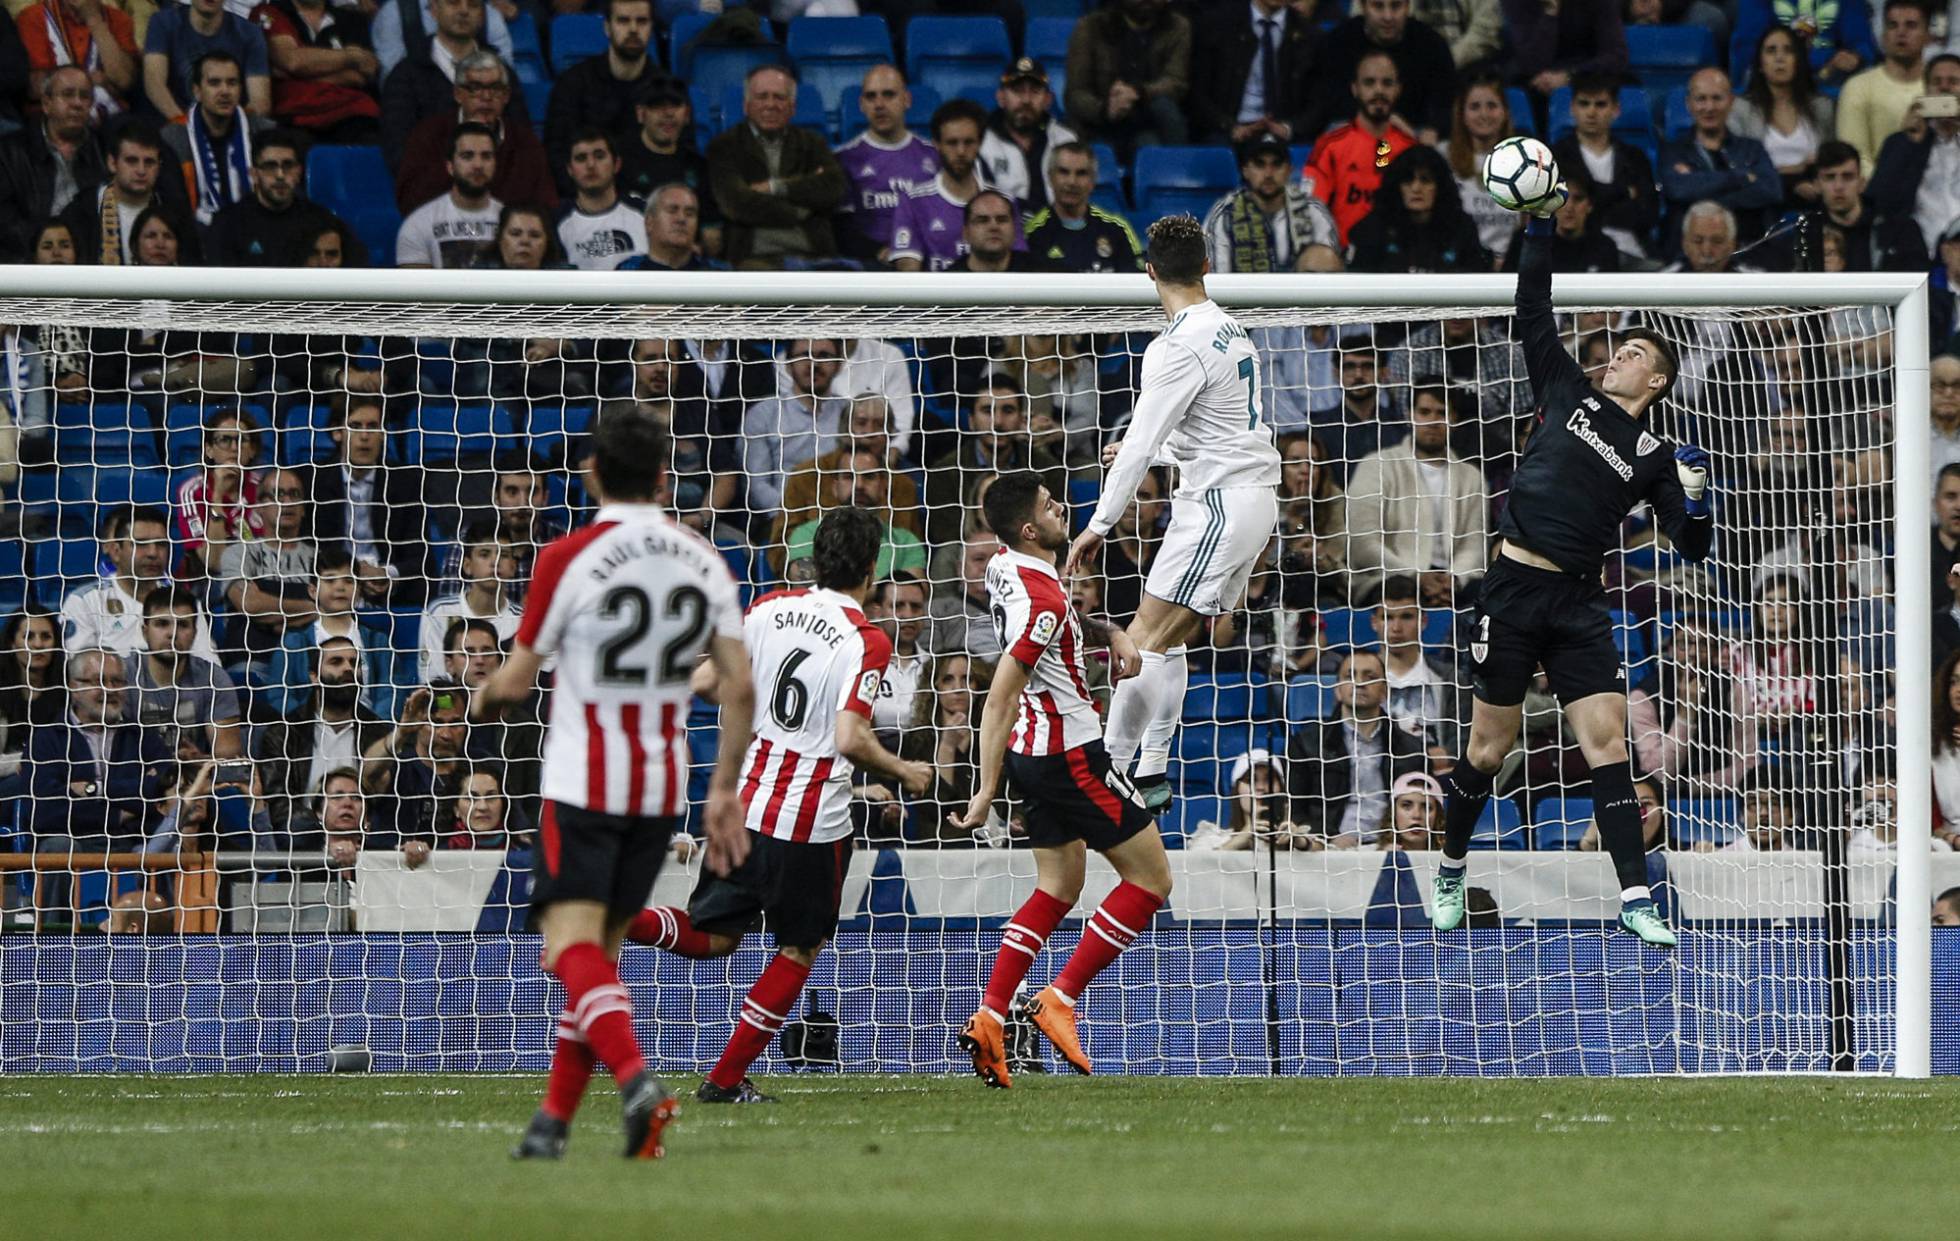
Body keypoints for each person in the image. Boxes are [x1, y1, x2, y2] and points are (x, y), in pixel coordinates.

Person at [1428, 171, 1714, 948]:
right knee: (1488, 750)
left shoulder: (1655, 453)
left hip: (1581, 606)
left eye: (1629, 355)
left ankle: (1634, 893)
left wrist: (1695, 498)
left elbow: (1691, 549)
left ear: (1655, 381)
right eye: (1615, 350)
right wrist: (1540, 226)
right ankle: (1451, 865)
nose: (1613, 358)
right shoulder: (1567, 390)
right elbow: (1531, 310)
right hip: (1513, 588)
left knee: (1608, 746)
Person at [473, 407, 754, 1161]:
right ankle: (552, 1126)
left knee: (564, 947)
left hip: (583, 781)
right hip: (663, 787)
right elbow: (738, 684)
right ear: (666, 476)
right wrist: (723, 790)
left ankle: (638, 1081)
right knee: (597, 952)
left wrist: (479, 695)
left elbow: (517, 681)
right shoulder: (704, 561)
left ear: (591, 470)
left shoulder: (569, 555)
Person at [619, 507, 929, 1102]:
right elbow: (849, 738)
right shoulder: (867, 638)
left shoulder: (767, 608)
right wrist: (901, 769)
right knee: (798, 947)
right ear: (872, 568)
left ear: (816, 559)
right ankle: (725, 1080)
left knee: (713, 936)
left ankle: (611, 917)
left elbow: (708, 684)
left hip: (747, 805)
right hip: (812, 823)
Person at [948, 472, 1162, 1086]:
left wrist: (1111, 630)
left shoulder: (1005, 567)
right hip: (1070, 755)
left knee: (1058, 887)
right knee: (1150, 880)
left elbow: (1059, 621)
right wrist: (985, 788)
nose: (1061, 506)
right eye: (1049, 505)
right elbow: (997, 698)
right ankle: (1060, 998)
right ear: (1029, 529)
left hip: (1034, 755)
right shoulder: (1040, 601)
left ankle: (990, 1017)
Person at [1062, 215, 1281, 816]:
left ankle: (1106, 771)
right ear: (1207, 267)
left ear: (1150, 271)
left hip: (1217, 503)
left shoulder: (1174, 344)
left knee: (1141, 641)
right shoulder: (1233, 330)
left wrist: (1098, 525)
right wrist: (1159, 449)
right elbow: (1219, 425)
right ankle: (1153, 767)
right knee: (1171, 638)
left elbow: (1136, 446)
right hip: (1247, 498)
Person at [1343, 386, 1488, 601]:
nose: (1433, 421)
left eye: (1442, 413)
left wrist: (1453, 580)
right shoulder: (1376, 465)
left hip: (1453, 582)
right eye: (1424, 412)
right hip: (1391, 578)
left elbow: (1474, 545)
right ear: (1410, 414)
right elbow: (1363, 544)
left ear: (1454, 419)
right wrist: (1415, 575)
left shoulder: (1471, 476)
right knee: (1400, 591)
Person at [26, 647, 171, 862]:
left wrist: (94, 789)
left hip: (133, 840)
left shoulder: (142, 735)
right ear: (74, 687)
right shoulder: (47, 738)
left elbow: (166, 791)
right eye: (98, 681)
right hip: (75, 841)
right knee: (58, 846)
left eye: (117, 681)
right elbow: (44, 811)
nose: (109, 689)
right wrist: (118, 814)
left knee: (173, 840)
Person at [705, 64, 847, 267]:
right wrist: (801, 210)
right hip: (753, 258)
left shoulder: (813, 143)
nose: (770, 104)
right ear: (746, 105)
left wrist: (776, 188)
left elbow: (833, 188)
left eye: (779, 97)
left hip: (814, 256)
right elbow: (736, 203)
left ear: (792, 107)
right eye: (762, 97)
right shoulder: (725, 146)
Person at [1283, 645, 1428, 845]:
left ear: (1384, 691)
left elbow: (1426, 811)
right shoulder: (1306, 745)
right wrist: (1328, 839)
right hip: (1329, 850)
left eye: (1369, 677)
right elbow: (1295, 811)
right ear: (1338, 690)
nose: (1359, 683)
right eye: (1350, 676)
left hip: (1391, 849)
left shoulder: (1411, 749)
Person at [303, 396, 438, 604]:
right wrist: (349, 574)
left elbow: (421, 556)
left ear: (383, 434)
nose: (365, 436)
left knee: (422, 586)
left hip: (385, 583)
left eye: (373, 426)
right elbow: (307, 549)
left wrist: (386, 573)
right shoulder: (312, 480)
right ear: (337, 432)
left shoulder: (406, 482)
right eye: (355, 426)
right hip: (332, 581)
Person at [254, 635, 389, 842]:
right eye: (336, 662)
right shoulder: (284, 734)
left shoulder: (378, 733)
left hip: (364, 844)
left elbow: (387, 803)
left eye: (354, 663)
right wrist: (327, 834)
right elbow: (278, 806)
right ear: (314, 676)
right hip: (304, 848)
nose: (348, 669)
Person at [392, 51, 554, 212]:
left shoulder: (525, 141)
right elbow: (409, 199)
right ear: (458, 94)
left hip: (509, 233)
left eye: (495, 88)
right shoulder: (429, 133)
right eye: (475, 88)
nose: (486, 96)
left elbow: (545, 205)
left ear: (506, 96)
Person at [377, 0, 520, 175]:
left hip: (499, 188)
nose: (464, 11)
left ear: (482, 16)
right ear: (434, 10)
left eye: (473, 5)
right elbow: (399, 148)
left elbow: (521, 141)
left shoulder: (502, 72)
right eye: (453, 3)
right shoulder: (405, 75)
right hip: (430, 190)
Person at [62, 505, 220, 663]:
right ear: (116, 552)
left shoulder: (185, 603)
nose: (153, 553)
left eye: (161, 544)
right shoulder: (85, 602)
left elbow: (209, 667)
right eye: (141, 544)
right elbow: (80, 671)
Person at [1302, 50, 1418, 247]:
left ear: (1398, 89)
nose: (1379, 90)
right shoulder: (1330, 147)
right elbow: (1311, 211)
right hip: (1342, 265)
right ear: (1355, 88)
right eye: (1369, 83)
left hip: (1397, 265)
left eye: (1387, 83)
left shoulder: (1411, 149)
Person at [1659, 66, 1782, 251]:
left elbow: (1771, 191)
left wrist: (1701, 189)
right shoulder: (1673, 151)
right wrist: (1740, 178)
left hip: (1750, 249)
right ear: (1688, 104)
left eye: (1717, 98)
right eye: (1701, 99)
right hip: (1690, 257)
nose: (1709, 107)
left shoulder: (1752, 149)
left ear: (1731, 101)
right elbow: (1677, 190)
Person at [541, 0, 659, 188]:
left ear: (651, 29)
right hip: (584, 199)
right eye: (623, 21)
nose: (633, 29)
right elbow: (557, 153)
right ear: (607, 28)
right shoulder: (573, 83)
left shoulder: (666, 89)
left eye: (642, 21)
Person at [206, 128, 363, 265]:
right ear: (254, 174)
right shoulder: (227, 224)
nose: (280, 175)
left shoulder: (322, 221)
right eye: (270, 166)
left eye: (288, 166)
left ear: (299, 172)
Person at [1550, 69, 1659, 265]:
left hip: (1631, 252)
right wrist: (1623, 193)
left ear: (1616, 109)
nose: (1591, 112)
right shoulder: (1556, 156)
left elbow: (1648, 214)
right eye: (1584, 104)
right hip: (1575, 253)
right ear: (1572, 108)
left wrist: (1596, 201)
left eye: (1600, 104)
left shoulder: (1635, 157)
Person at [126, 584, 244, 760]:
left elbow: (228, 758)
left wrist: (195, 759)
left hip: (195, 777)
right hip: (138, 778)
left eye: (182, 625)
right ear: (145, 631)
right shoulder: (123, 676)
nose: (172, 634)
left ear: (195, 633)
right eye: (162, 624)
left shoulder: (214, 679)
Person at [832, 63, 935, 262]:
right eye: (871, 97)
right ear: (862, 104)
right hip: (871, 268)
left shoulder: (935, 156)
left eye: (888, 95)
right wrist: (881, 253)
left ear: (907, 99)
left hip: (929, 263)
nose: (879, 104)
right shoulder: (844, 159)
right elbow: (841, 230)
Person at [1062, 0, 1191, 160]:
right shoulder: (1090, 28)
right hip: (1100, 125)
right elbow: (1075, 94)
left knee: (1163, 114)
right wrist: (1106, 109)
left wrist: (1138, 92)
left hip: (1149, 121)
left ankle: (1175, 174)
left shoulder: (1177, 27)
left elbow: (1176, 82)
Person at [0, 68, 105, 261]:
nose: (77, 103)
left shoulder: (104, 151)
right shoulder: (9, 152)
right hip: (24, 262)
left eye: (84, 96)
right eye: (67, 95)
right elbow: (5, 220)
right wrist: (41, 247)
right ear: (46, 103)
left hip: (87, 263)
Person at [1730, 24, 1837, 209]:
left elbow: (1834, 161)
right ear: (1760, 64)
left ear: (1798, 61)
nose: (1780, 58)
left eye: (1788, 51)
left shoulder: (1822, 108)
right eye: (1771, 51)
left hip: (1814, 199)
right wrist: (1795, 174)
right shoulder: (1741, 109)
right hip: (1760, 203)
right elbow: (1740, 171)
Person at [160, 51, 272, 226]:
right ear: (197, 91)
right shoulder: (173, 138)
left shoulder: (264, 132)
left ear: (241, 90)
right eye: (214, 83)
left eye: (232, 83)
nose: (225, 91)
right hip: (194, 233)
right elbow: (173, 203)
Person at [1780, 139, 1927, 271]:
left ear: (1862, 183)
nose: (1839, 186)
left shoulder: (1897, 229)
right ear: (1817, 185)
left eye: (1847, 177)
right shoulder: (1805, 234)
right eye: (1830, 178)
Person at [1203, 130, 1338, 274]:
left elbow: (1331, 265)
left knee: (1322, 256)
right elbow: (1215, 279)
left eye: (1277, 164)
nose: (1268, 174)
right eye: (1259, 164)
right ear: (1245, 171)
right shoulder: (1225, 214)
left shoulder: (1312, 211)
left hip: (1300, 295)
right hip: (1242, 295)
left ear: (1289, 170)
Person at [1868, 52, 1960, 257]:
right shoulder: (1901, 142)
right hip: (1917, 256)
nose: (1944, 88)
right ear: (1926, 90)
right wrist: (1909, 143)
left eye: (1953, 81)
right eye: (1937, 82)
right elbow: (1882, 202)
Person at [250, 0, 382, 143]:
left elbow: (359, 76)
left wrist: (296, 74)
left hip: (352, 114)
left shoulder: (353, 19)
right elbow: (292, 61)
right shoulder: (268, 13)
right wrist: (352, 56)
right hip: (294, 118)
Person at [59, 121, 190, 265]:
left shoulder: (176, 213)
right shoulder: (81, 212)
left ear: (159, 166)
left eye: (149, 162)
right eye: (132, 161)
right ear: (112, 163)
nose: (141, 170)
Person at [1187, 0, 1315, 146]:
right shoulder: (1216, 25)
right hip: (1225, 130)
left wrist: (1289, 128)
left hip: (1283, 133)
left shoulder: (1308, 34)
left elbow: (1318, 100)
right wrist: (1229, 126)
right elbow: (1197, 92)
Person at [1348, 144, 1491, 274]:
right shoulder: (1373, 228)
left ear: (1439, 186)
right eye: (1408, 180)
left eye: (1425, 180)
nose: (1416, 188)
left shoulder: (1461, 227)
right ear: (1397, 186)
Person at [889, 97, 993, 273]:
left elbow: (1015, 266)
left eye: (968, 142)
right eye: (952, 143)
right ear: (936, 145)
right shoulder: (912, 202)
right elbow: (908, 275)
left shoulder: (1002, 203)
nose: (961, 151)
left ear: (980, 143)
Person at [1836, 0, 1937, 175]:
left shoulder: (1943, 86)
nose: (1901, 32)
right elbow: (1856, 159)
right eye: (1892, 25)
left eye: (1911, 25)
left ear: (1928, 36)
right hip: (1881, 195)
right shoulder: (1858, 88)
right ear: (1883, 36)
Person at [614, 76, 714, 252]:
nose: (668, 114)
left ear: (687, 114)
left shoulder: (699, 166)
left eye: (675, 105)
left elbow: (711, 234)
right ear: (640, 113)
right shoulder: (619, 164)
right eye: (657, 106)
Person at [417, 523, 520, 680]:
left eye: (504, 555)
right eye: (484, 554)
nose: (495, 562)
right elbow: (432, 681)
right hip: (450, 704)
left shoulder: (523, 621)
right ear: (467, 566)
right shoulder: (439, 613)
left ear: (513, 567)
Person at [1023, 141, 1142, 274]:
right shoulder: (1033, 233)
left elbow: (1137, 281)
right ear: (1050, 177)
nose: (1072, 182)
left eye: (1081, 173)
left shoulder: (1118, 228)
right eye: (1064, 172)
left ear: (1093, 180)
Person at [142, 0, 270, 123]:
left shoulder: (249, 33)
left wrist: (235, 129)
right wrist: (185, 125)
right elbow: (155, 84)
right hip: (176, 122)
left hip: (231, 126)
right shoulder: (163, 22)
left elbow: (259, 102)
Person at [395, 120, 500, 269]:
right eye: (467, 156)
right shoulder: (418, 225)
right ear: (450, 166)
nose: (478, 165)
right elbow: (415, 290)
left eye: (486, 156)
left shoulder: (513, 225)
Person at [1442, 70, 1522, 259]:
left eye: (1492, 106)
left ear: (1505, 112)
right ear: (1461, 113)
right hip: (1462, 265)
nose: (1484, 114)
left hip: (1512, 265)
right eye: (1475, 107)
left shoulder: (1525, 158)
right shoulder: (1443, 156)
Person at [979, 56, 1074, 212]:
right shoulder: (981, 141)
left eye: (1035, 92)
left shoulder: (1065, 140)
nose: (1026, 100)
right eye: (1018, 91)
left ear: (1048, 100)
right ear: (1001, 97)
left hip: (1056, 231)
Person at [17, 0, 139, 116]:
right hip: (51, 115)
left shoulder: (119, 19)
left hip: (109, 114)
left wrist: (94, 19)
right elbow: (35, 87)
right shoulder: (34, 17)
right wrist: (93, 80)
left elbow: (123, 80)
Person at [1186, 749, 1313, 850]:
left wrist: (1300, 842)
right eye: (1250, 780)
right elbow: (1199, 867)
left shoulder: (1298, 839)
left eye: (1269, 780)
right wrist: (1243, 837)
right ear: (1237, 790)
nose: (1261, 788)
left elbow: (1328, 856)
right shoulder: (1211, 839)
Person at [555, 128, 644, 270]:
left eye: (599, 156)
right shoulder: (556, 222)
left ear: (617, 164)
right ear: (570, 169)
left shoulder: (645, 213)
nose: (590, 165)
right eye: (581, 158)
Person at [1501, 0, 1625, 102]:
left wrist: (1570, 77)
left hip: (1586, 72)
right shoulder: (1517, 3)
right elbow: (1533, 62)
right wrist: (1550, 12)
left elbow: (1616, 56)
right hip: (1537, 77)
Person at [1500, 168, 1621, 272]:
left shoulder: (1605, 248)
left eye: (1578, 199)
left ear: (1590, 205)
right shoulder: (1526, 242)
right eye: (1562, 198)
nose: (1569, 207)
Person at [1663, 199, 1760, 273]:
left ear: (1732, 245)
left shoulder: (1757, 286)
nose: (1706, 251)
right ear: (1685, 244)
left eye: (1717, 241)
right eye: (1698, 241)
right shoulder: (1661, 284)